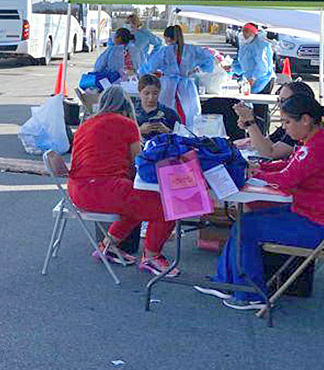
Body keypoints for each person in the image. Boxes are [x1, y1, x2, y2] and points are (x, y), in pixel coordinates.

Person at [197, 93, 324, 310]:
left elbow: (286, 180)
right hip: (318, 218)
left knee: (247, 228)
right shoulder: (314, 140)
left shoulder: (318, 147)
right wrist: (260, 168)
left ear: (306, 120)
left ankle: (251, 294)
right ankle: (230, 282)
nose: (286, 128)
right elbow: (288, 166)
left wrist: (255, 174)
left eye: (288, 122)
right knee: (246, 221)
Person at [67, 85, 178, 276]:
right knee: (167, 206)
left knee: (136, 204)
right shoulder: (127, 124)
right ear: (127, 104)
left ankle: (108, 246)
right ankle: (151, 257)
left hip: (78, 190)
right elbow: (139, 164)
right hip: (103, 189)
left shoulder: (86, 124)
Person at [234, 81, 324, 159]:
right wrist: (249, 125)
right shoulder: (296, 125)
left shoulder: (303, 130)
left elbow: (269, 153)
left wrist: (251, 122)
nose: (280, 105)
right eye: (279, 100)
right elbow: (263, 145)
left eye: (284, 101)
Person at [141, 25, 215, 125]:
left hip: (168, 86)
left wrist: (158, 73)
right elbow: (209, 61)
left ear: (167, 37)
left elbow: (149, 67)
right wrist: (197, 70)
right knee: (190, 114)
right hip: (187, 85)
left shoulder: (164, 51)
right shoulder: (192, 49)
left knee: (166, 113)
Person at [231, 22, 276, 128]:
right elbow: (242, 63)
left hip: (263, 80)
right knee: (252, 110)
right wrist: (231, 68)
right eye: (243, 31)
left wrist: (253, 78)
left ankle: (263, 134)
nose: (244, 34)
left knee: (261, 110)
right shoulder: (245, 44)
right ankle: (254, 134)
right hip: (250, 81)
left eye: (247, 31)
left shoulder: (260, 44)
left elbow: (262, 67)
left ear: (254, 32)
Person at [135, 73, 178, 138]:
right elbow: (121, 136)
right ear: (139, 92)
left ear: (160, 92)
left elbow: (183, 137)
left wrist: (168, 131)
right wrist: (139, 131)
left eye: (155, 93)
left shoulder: (169, 114)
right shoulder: (131, 113)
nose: (151, 98)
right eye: (146, 94)